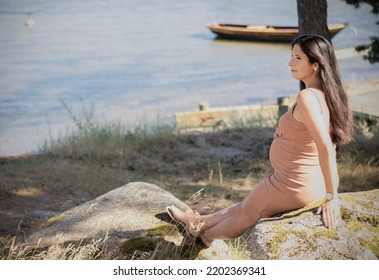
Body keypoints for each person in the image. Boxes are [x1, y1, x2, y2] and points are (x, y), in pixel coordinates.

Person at [167, 34, 354, 247]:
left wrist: (332, 196)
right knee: (244, 205)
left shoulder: (307, 98)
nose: (290, 63)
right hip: (309, 182)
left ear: (315, 64)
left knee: (246, 215)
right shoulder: (329, 95)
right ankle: (197, 222)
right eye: (291, 56)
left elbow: (326, 147)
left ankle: (202, 239)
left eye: (298, 58)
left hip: (293, 184)